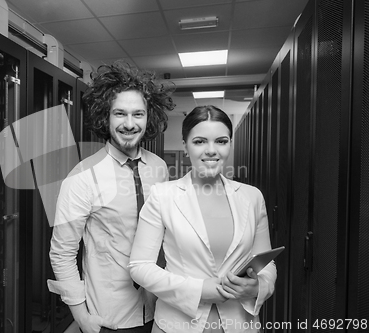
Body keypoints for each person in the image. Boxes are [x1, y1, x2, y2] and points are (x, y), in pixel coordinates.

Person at [47, 60, 175, 333]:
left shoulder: (159, 168)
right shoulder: (81, 177)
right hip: (108, 318)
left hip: (159, 310)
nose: (129, 124)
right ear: (105, 116)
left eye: (138, 114)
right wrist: (82, 318)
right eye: (120, 114)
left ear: (148, 117)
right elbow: (61, 253)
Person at [128, 105, 277, 333]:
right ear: (185, 147)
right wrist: (198, 290)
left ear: (229, 144)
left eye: (221, 141)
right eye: (199, 142)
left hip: (241, 326)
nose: (211, 150)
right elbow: (140, 267)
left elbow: (266, 264)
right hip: (176, 326)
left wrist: (258, 287)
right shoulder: (163, 195)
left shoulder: (252, 196)